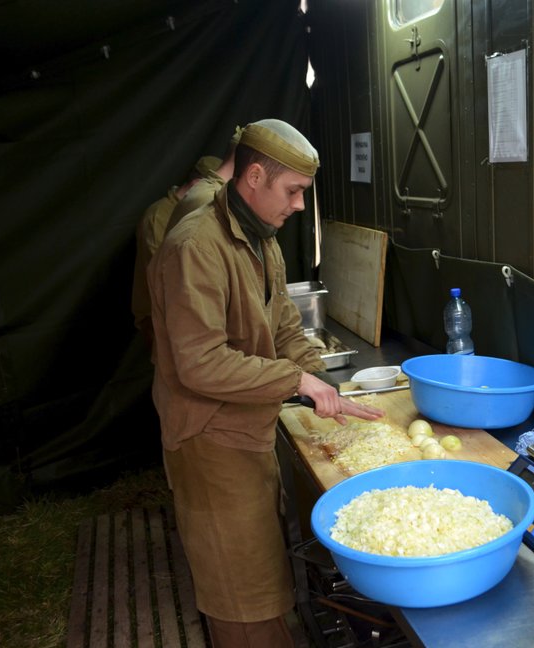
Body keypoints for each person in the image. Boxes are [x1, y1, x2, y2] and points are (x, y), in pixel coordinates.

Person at [147, 118, 383, 648]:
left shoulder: (261, 239)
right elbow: (200, 363)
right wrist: (295, 378)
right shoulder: (195, 246)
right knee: (243, 597)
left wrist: (325, 383)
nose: (300, 206)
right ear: (254, 176)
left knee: (267, 579)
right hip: (209, 441)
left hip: (247, 427)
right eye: (294, 191)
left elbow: (283, 329)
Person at [130, 155, 221, 346]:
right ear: (198, 184)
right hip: (160, 318)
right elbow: (165, 275)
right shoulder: (158, 215)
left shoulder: (201, 211)